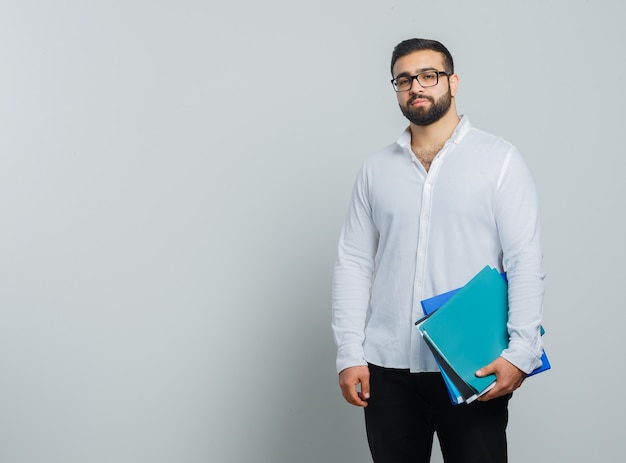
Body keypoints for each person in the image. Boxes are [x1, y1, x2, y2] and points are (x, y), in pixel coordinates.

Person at [331, 38, 545, 462]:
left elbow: (525, 260)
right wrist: (349, 353)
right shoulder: (376, 170)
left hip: (472, 365)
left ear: (453, 82)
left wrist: (522, 352)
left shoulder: (498, 160)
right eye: (405, 79)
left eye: (429, 75)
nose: (417, 87)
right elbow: (353, 263)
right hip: (387, 368)